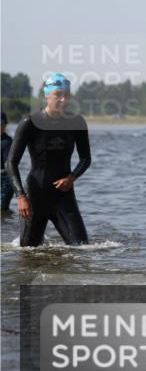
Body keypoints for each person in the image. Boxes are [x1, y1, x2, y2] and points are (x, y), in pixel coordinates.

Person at [5, 74, 92, 246]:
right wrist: (21, 196)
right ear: (46, 95)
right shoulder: (29, 123)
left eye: (66, 95)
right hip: (35, 196)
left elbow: (85, 158)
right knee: (29, 254)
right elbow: (11, 163)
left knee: (82, 248)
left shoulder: (77, 122)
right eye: (57, 95)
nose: (62, 99)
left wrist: (72, 177)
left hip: (63, 196)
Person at [1, 112, 13, 213]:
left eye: (1, 124)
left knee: (2, 210)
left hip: (4, 182)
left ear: (5, 125)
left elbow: (8, 164)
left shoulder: (8, 142)